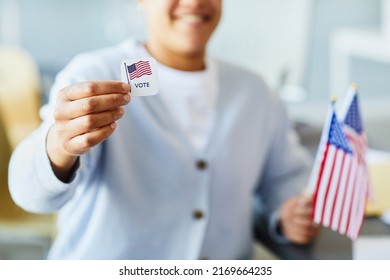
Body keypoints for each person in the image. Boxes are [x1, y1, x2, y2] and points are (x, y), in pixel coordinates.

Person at [8, 0, 320, 259]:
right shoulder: (93, 74)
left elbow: (286, 178)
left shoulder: (255, 91)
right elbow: (30, 193)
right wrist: (58, 146)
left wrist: (287, 214)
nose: (194, 2)